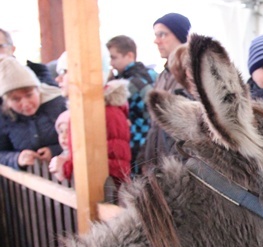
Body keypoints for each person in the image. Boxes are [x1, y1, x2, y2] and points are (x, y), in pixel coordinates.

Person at [49, 52, 131, 187]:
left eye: (64, 71)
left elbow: (114, 168)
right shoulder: (87, 112)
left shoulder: (108, 114)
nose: (58, 79)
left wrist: (66, 167)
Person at [140, 12, 192, 173]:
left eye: (162, 34)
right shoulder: (162, 75)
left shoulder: (191, 73)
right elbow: (155, 126)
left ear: (180, 36)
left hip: (180, 167)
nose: (157, 41)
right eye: (156, 35)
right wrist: (144, 159)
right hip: (159, 163)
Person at [0, 56, 66, 169]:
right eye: (16, 99)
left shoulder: (61, 105)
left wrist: (54, 150)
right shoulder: (3, 118)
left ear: (38, 90)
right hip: (24, 183)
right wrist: (17, 158)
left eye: (29, 95)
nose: (25, 104)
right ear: (7, 102)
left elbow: (79, 142)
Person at [106, 35, 158, 175]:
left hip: (136, 143)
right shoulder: (149, 75)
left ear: (129, 55)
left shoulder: (129, 83)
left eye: (114, 57)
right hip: (149, 143)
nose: (111, 63)